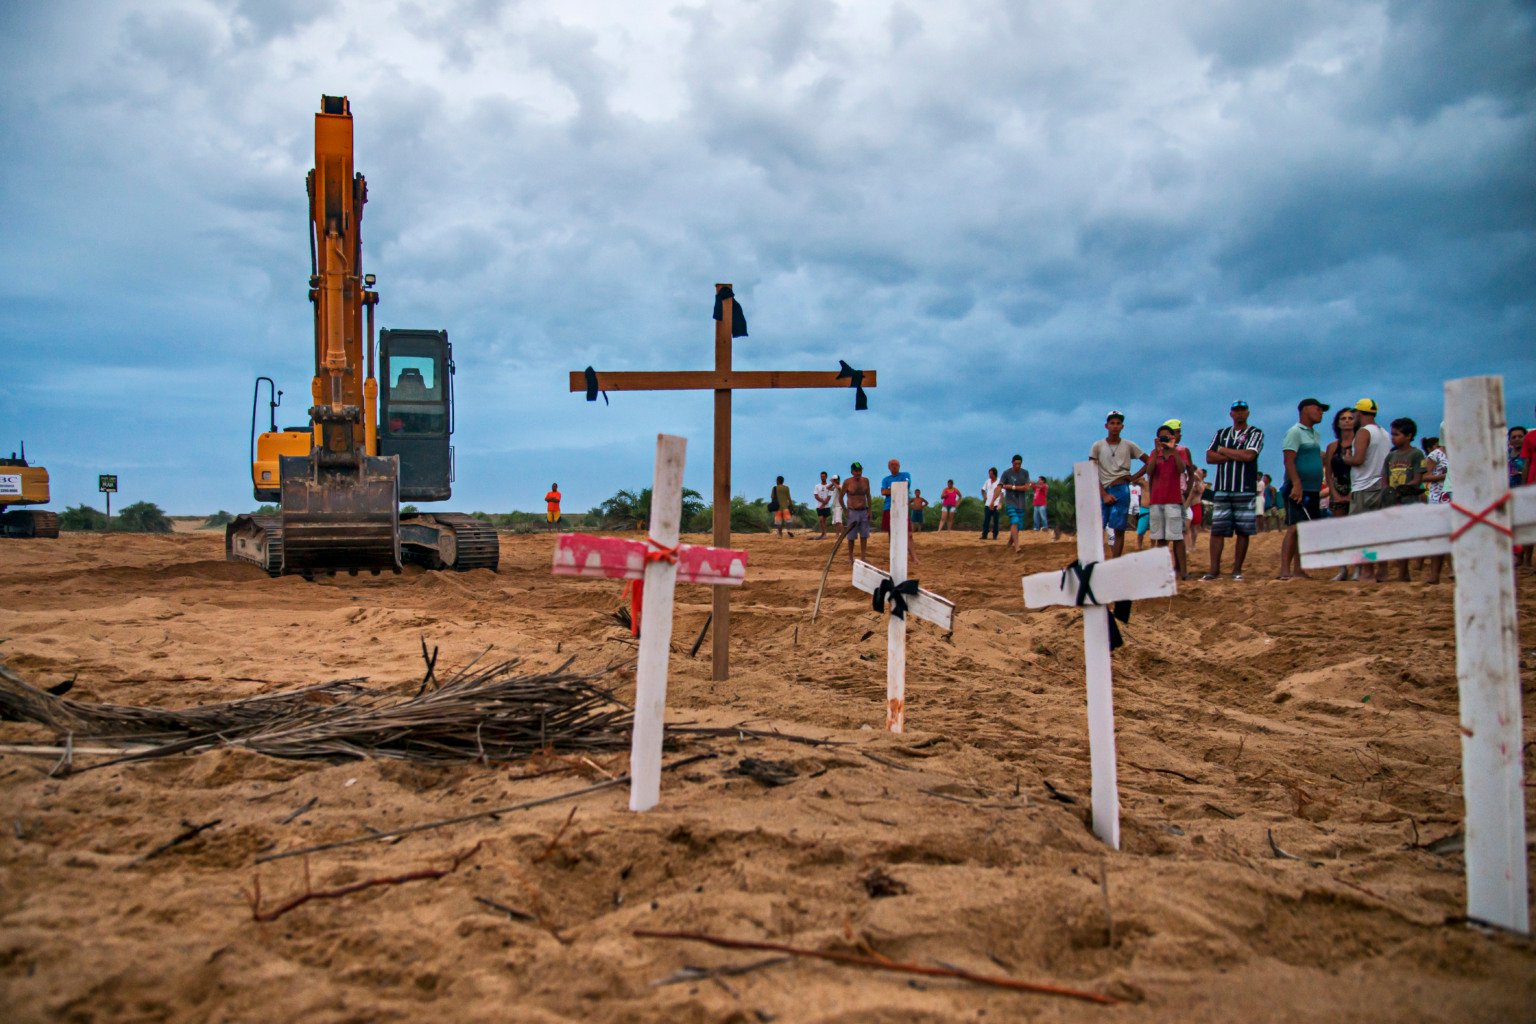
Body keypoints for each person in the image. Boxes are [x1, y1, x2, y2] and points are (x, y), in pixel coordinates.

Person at [1203, 400, 1264, 580]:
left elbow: (1249, 455)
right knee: (1217, 530)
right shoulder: (1221, 433)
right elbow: (1209, 457)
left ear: (1248, 412)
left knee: (1243, 531)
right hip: (1222, 488)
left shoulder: (1255, 433)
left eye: (1243, 410)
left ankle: (1237, 570)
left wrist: (1223, 450)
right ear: (1231, 414)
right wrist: (1236, 454)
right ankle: (1214, 570)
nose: (1239, 413)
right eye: (1236, 410)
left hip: (1245, 488)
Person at [1340, 398, 1389, 581]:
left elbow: (1359, 459)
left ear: (1359, 413)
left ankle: (1367, 571)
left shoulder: (1364, 432)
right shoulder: (1384, 433)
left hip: (1364, 485)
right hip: (1380, 484)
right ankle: (1382, 570)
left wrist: (1346, 458)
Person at [1136, 422, 1194, 577]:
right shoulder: (1155, 453)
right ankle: (1162, 571)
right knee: (1160, 538)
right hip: (1157, 500)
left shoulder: (1178, 453)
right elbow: (1150, 471)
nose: (1164, 439)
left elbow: (1181, 469)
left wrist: (1173, 450)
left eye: (1167, 437)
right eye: (1161, 437)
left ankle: (1183, 572)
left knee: (1177, 537)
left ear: (1173, 438)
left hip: (1174, 500)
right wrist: (1156, 452)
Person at [1278, 398, 1328, 580]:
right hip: (1298, 488)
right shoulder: (1295, 432)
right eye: (1318, 408)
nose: (1321, 412)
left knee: (1304, 529)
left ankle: (1298, 569)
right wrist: (1296, 484)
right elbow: (1288, 459)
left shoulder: (1315, 434)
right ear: (1305, 409)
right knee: (1294, 527)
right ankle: (1285, 569)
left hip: (1312, 489)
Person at [1089, 411, 1148, 558]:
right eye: (1112, 423)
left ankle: (1115, 561)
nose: (1115, 426)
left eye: (1118, 423)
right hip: (1102, 489)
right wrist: (1104, 494)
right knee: (1097, 528)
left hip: (1121, 489)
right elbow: (1091, 471)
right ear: (1106, 426)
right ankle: (1095, 560)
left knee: (1119, 529)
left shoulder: (1129, 445)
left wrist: (1134, 477)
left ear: (1122, 426)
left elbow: (1149, 461)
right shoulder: (1098, 446)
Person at [1382, 417, 1427, 582]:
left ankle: (1405, 571)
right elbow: (1384, 477)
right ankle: (1403, 571)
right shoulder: (1391, 456)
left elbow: (1418, 478)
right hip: (1394, 500)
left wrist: (1403, 489)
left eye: (1397, 434)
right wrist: (1388, 490)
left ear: (1409, 436)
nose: (1393, 437)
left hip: (1409, 499)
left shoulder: (1416, 454)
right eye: (1392, 434)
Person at [840, 462, 871, 565]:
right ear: (852, 472)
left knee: (864, 535)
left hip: (863, 511)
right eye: (856, 471)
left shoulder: (866, 480)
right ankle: (850, 557)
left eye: (860, 470)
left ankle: (863, 557)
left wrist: (870, 510)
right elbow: (841, 498)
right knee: (851, 536)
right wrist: (845, 510)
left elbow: (868, 495)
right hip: (852, 511)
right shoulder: (847, 482)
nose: (858, 473)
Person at [999, 455, 1031, 550]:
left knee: (1018, 526)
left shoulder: (1025, 473)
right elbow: (1001, 486)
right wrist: (995, 501)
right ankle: (1017, 547)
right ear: (1012, 463)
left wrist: (1012, 487)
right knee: (1015, 520)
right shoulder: (1006, 473)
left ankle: (1010, 542)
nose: (1017, 466)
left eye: (1019, 464)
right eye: (1016, 463)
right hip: (1010, 502)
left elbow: (1026, 488)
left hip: (1021, 503)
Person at [980, 467, 1002, 540]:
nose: (989, 475)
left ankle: (995, 535)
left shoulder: (999, 482)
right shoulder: (987, 481)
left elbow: (1002, 493)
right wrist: (984, 497)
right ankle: (984, 535)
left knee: (996, 520)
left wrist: (1000, 503)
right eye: (989, 474)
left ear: (994, 474)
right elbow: (983, 490)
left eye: (991, 474)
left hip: (996, 504)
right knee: (986, 520)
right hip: (988, 504)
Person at [812, 471, 835, 538]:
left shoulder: (829, 486)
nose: (822, 478)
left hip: (826, 506)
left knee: (824, 521)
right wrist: (822, 502)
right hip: (819, 506)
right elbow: (816, 496)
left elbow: (829, 497)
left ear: (826, 477)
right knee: (821, 520)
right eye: (821, 476)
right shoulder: (817, 486)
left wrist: (823, 504)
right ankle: (823, 533)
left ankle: (824, 534)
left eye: (824, 476)